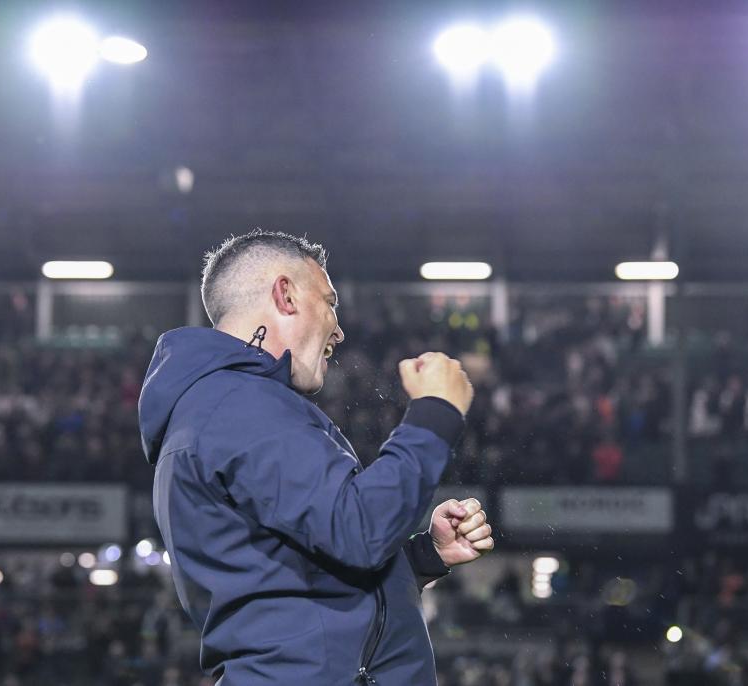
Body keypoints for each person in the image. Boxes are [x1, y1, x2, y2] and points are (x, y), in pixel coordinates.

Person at [139, 230, 493, 684]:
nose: (339, 330)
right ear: (285, 294)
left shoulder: (229, 405)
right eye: (329, 302)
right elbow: (358, 531)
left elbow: (306, 576)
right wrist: (434, 414)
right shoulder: (237, 405)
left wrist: (422, 556)